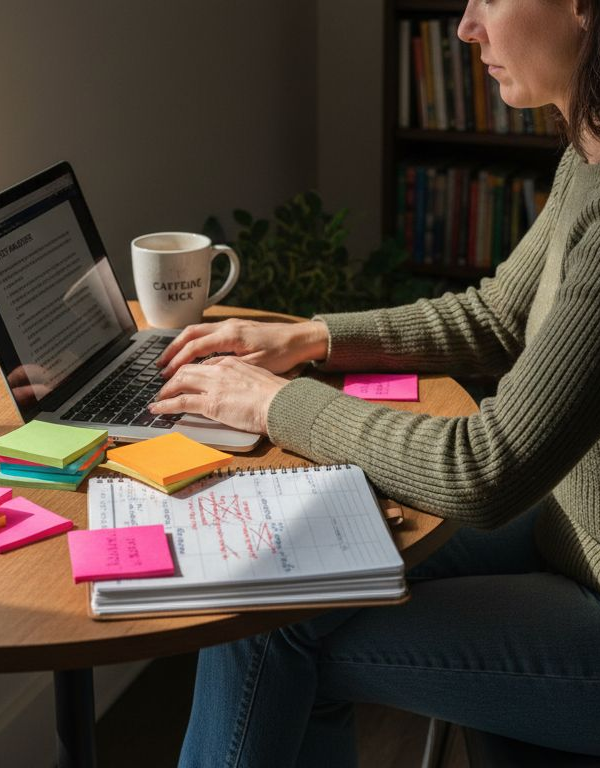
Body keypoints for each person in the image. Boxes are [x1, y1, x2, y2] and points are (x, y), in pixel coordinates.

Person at [149, 0, 600, 763]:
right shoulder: (585, 156)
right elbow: (496, 315)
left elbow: (483, 469)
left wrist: (275, 400)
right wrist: (311, 336)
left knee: (272, 635)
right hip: (566, 528)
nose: (465, 27)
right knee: (277, 596)